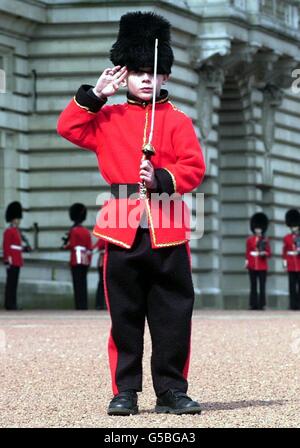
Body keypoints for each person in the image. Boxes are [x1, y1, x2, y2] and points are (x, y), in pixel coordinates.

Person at [57, 11, 205, 415]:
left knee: (172, 316)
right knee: (124, 316)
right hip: (121, 225)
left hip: (167, 225)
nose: (144, 78)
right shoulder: (107, 118)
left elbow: (194, 168)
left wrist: (160, 178)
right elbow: (69, 129)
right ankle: (125, 390)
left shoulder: (178, 121)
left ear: (165, 77)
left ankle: (171, 390)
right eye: (137, 71)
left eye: (151, 72)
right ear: (127, 75)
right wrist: (96, 94)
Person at [62, 203, 92, 310]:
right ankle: (84, 305)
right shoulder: (86, 231)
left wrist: (65, 246)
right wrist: (89, 261)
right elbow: (89, 248)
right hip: (85, 260)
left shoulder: (73, 230)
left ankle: (79, 305)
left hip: (76, 260)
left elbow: (72, 245)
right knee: (83, 284)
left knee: (77, 284)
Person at [2, 201, 32, 310]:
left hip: (17, 260)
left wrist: (25, 248)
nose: (19, 221)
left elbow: (17, 247)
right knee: (11, 284)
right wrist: (7, 259)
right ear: (13, 219)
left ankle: (12, 303)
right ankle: (9, 304)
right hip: (12, 260)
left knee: (14, 284)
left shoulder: (16, 231)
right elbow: (6, 247)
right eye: (18, 219)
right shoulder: (9, 231)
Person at [245, 212, 271, 310]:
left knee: (262, 286)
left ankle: (262, 304)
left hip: (262, 265)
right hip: (252, 265)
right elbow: (247, 252)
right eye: (256, 228)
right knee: (253, 286)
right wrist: (247, 262)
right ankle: (253, 304)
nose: (258, 230)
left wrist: (264, 253)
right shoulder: (250, 240)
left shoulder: (265, 240)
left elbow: (269, 253)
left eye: (259, 228)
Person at [282, 209, 300, 310]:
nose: (294, 228)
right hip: (291, 264)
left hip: (299, 262)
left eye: (296, 226)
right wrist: (285, 264)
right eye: (293, 227)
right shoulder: (286, 238)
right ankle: (293, 305)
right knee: (292, 286)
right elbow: (284, 252)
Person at [93, 237, 106, 310]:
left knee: (101, 284)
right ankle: (100, 304)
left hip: (103, 262)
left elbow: (96, 246)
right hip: (104, 262)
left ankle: (100, 304)